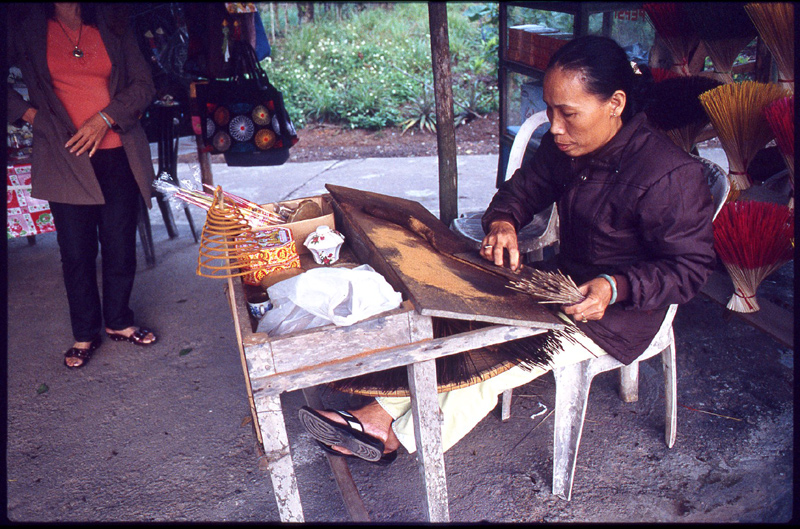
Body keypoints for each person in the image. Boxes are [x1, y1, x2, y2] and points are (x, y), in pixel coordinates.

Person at [297, 36, 717, 462]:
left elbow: (691, 269)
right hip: (557, 282)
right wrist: (503, 223)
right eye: (550, 110)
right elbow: (519, 192)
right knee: (456, 316)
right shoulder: (566, 149)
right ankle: (378, 416)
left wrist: (615, 286)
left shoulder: (669, 175)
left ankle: (394, 435)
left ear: (616, 103)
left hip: (618, 313)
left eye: (568, 113)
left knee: (500, 349)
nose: (555, 127)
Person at [7, 3, 159, 369]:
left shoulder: (113, 20)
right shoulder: (27, 27)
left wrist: (104, 118)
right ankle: (84, 333)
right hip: (64, 155)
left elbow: (144, 85)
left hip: (118, 152)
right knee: (76, 250)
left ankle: (119, 321)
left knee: (120, 243)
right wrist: (33, 116)